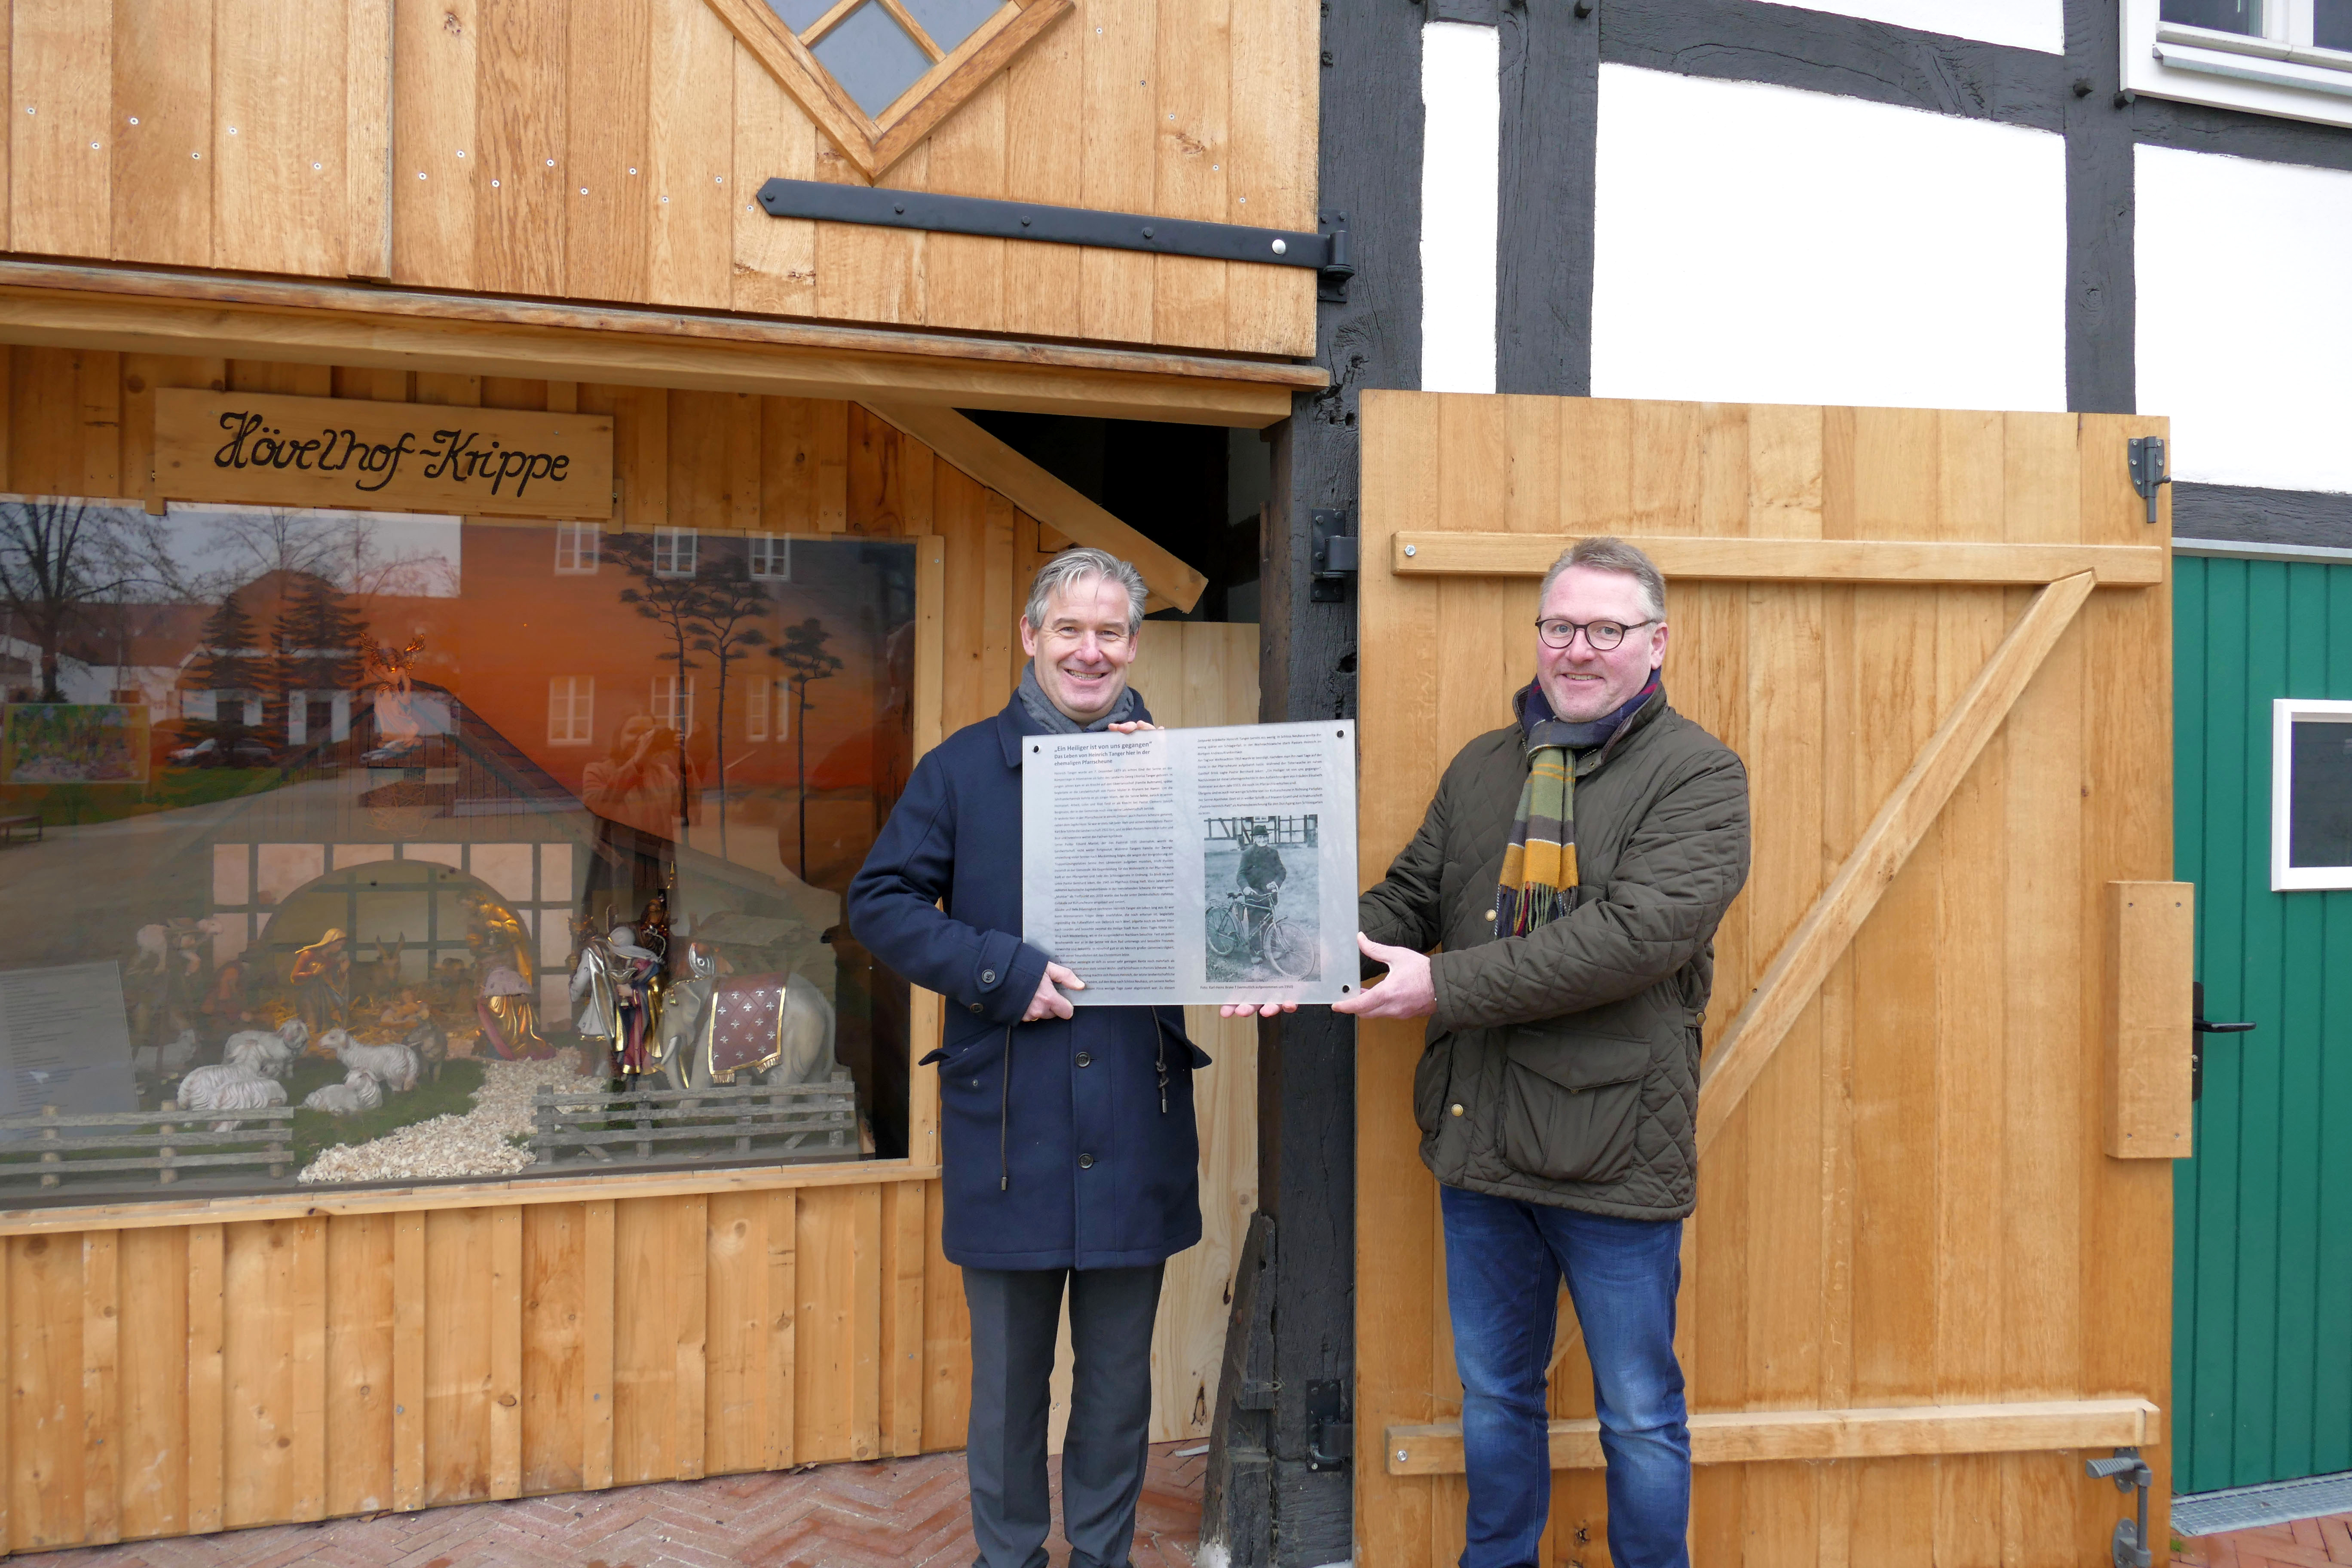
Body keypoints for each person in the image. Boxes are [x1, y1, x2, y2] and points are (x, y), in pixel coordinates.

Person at [1229, 536, 1750, 1568]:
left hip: (1613, 1152)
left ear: (1658, 643)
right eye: (1560, 626)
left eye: (1607, 629)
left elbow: (1635, 938)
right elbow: (1414, 897)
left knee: (1640, 1413)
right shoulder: (1485, 764)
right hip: (1481, 1143)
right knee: (1497, 1397)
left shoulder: (1699, 776)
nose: (1578, 649)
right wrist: (1309, 947)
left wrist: (1444, 984)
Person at [848, 547, 1208, 1568]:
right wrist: (1000, 972)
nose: (1088, 653)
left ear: (1133, 646)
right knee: (1009, 1380)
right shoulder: (960, 769)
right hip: (1009, 1117)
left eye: (1110, 633)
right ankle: (1007, 1559)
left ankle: (1102, 1557)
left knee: (1115, 1380)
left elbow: (1235, 915)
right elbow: (879, 903)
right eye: (1069, 630)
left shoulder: (1178, 775)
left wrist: (1176, 812)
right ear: (1031, 638)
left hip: (1135, 1118)